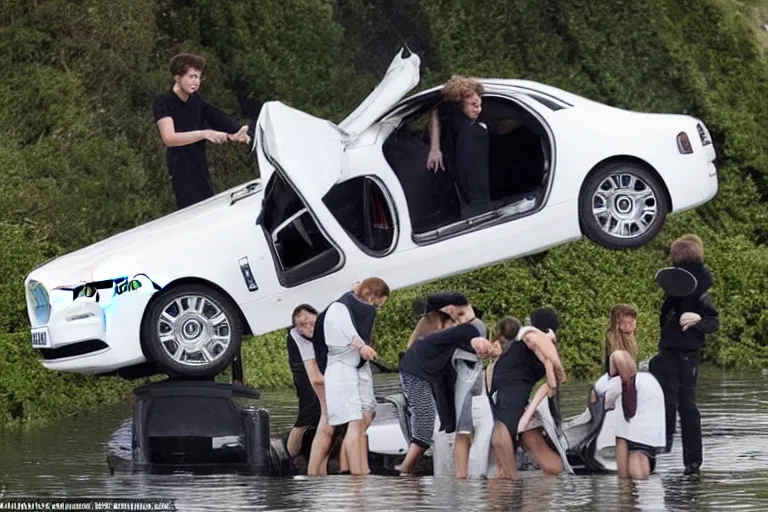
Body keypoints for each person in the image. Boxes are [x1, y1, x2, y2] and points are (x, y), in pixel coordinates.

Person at [397, 294, 497, 476]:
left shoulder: (431, 341)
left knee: (432, 425)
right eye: (455, 318)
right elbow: (467, 333)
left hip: (418, 374)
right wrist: (477, 341)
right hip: (416, 375)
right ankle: (406, 470)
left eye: (460, 315)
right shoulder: (444, 336)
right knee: (425, 425)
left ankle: (408, 471)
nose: (458, 322)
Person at [651, 234, 718, 475]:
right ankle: (661, 447)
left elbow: (713, 321)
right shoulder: (672, 293)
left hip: (688, 354)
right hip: (667, 351)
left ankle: (692, 461)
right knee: (667, 402)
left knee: (686, 405)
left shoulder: (700, 294)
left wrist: (699, 320)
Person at [310, 277, 391, 476]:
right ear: (370, 295)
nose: (376, 308)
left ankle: (360, 469)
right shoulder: (339, 307)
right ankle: (356, 474)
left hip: (355, 367)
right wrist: (363, 347)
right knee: (354, 422)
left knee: (364, 416)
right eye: (378, 302)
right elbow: (350, 332)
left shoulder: (354, 305)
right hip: (341, 368)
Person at [153, 52, 251, 210]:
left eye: (198, 77)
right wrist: (205, 133)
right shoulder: (163, 102)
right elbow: (169, 138)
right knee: (193, 211)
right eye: (191, 76)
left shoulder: (196, 100)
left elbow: (214, 115)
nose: (196, 82)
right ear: (177, 78)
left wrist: (236, 131)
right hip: (180, 167)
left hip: (199, 164)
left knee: (209, 206)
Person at [426, 74, 524, 218]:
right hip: (471, 191)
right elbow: (434, 108)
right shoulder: (458, 124)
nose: (478, 109)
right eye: (474, 105)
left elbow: (499, 128)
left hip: (482, 186)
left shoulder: (478, 123)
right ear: (459, 103)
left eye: (480, 105)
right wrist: (435, 149)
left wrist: (522, 119)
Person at [488, 308, 567, 479]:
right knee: (505, 431)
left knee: (553, 467)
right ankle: (505, 474)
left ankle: (514, 483)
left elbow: (551, 385)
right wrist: (559, 372)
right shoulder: (532, 336)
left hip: (519, 393)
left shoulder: (543, 344)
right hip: (509, 387)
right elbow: (553, 381)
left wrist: (528, 414)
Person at [593, 350, 666, 479]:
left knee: (635, 455)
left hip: (637, 426)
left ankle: (632, 490)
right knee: (642, 455)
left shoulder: (611, 383)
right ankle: (642, 489)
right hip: (653, 427)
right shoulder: (647, 379)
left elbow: (601, 403)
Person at [285, 304, 323, 462]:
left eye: (310, 322)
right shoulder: (296, 335)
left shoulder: (321, 328)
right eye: (302, 324)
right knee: (307, 416)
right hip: (304, 373)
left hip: (314, 369)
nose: (307, 327)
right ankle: (288, 457)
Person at [604, 304, 639, 373]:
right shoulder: (612, 340)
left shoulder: (632, 342)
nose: (632, 321)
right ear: (617, 319)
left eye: (633, 317)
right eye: (627, 316)